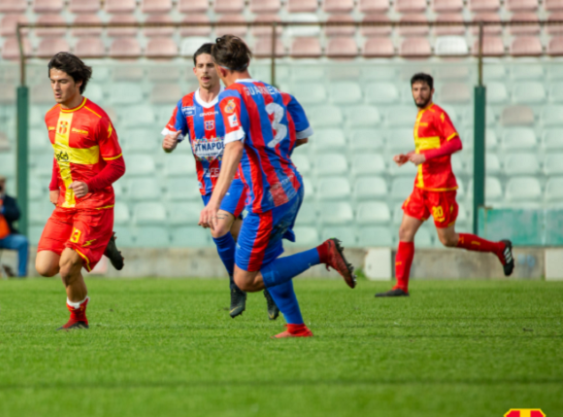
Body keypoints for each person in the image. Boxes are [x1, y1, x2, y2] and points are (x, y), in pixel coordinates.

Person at [199, 35, 356, 339]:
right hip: (291, 184)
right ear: (247, 61)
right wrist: (272, 154)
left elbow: (234, 147)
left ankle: (324, 252)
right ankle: (296, 327)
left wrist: (213, 203)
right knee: (269, 260)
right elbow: (302, 135)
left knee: (245, 280)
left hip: (268, 196)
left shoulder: (231, 97)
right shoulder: (277, 93)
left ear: (221, 70)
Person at [161, 43, 279, 320]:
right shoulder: (186, 105)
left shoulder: (231, 101)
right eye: (200, 66)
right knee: (242, 234)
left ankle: (236, 284)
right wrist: (168, 144)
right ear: (194, 70)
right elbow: (169, 140)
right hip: (208, 184)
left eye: (210, 65)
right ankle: (270, 283)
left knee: (217, 227)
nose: (205, 70)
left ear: (220, 69)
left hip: (238, 178)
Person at [375, 73, 515, 297]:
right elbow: (429, 147)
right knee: (405, 231)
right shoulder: (421, 115)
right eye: (415, 89)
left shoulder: (438, 114)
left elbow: (456, 142)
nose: (419, 93)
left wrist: (425, 156)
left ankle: (499, 248)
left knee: (448, 239)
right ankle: (401, 286)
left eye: (423, 89)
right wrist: (409, 156)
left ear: (432, 91)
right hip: (422, 186)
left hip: (440, 187)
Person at [35, 52, 126, 330]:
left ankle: (78, 319)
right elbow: (60, 154)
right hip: (66, 204)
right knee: (44, 267)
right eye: (52, 81)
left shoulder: (97, 119)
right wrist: (54, 185)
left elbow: (118, 166)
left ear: (78, 82)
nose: (56, 87)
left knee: (67, 267)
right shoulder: (51, 116)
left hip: (95, 204)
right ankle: (103, 241)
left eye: (62, 81)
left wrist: (90, 184)